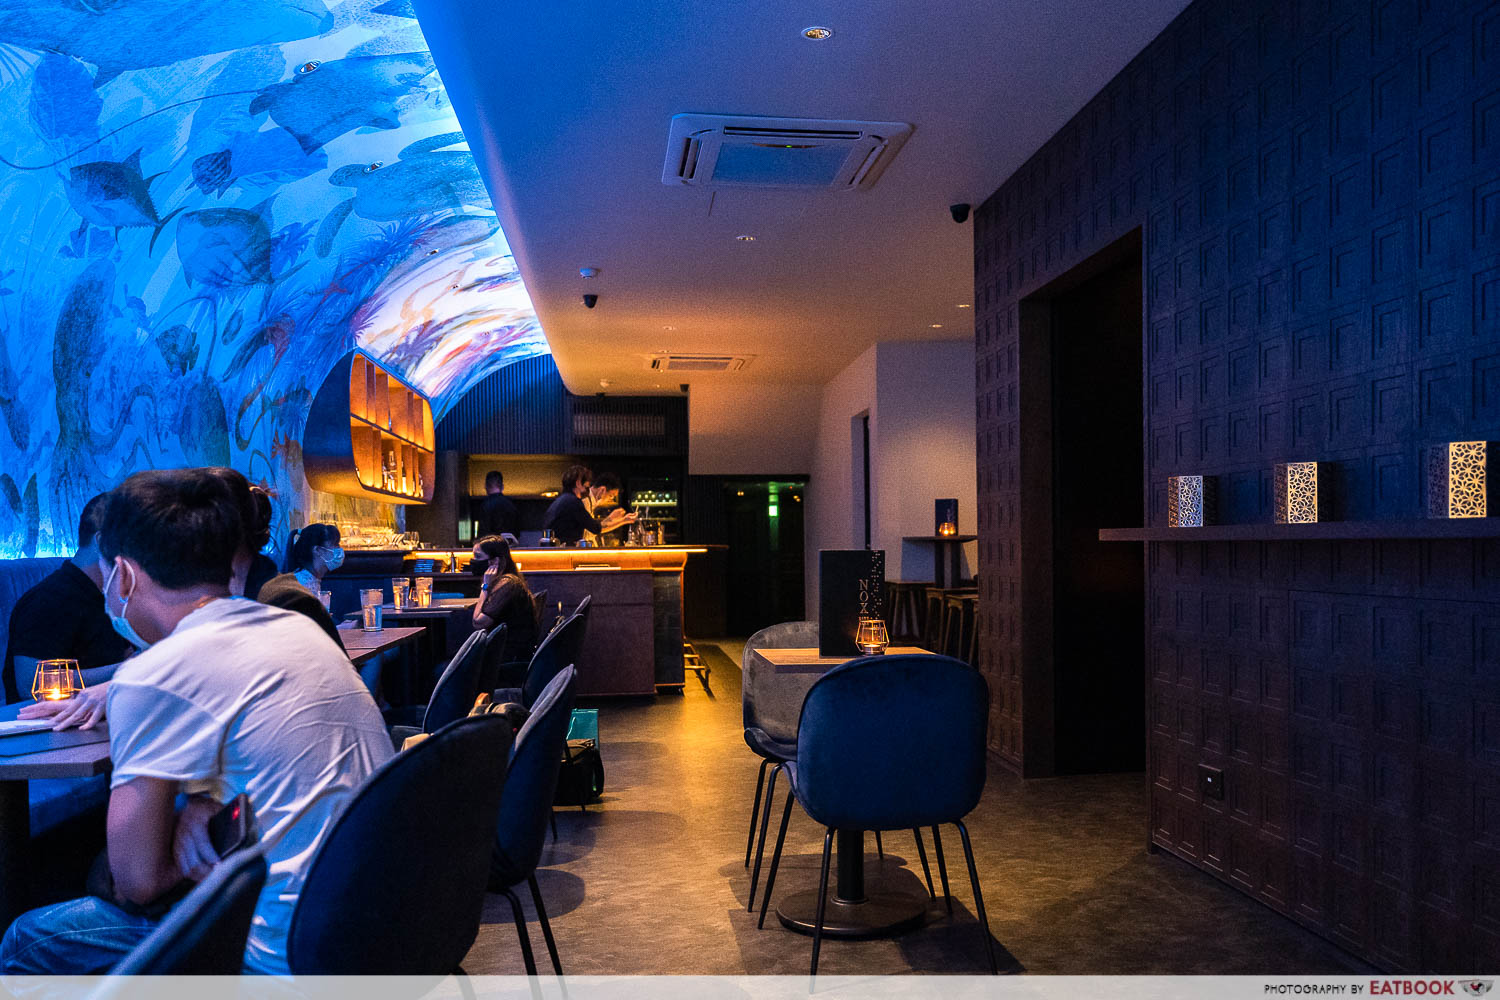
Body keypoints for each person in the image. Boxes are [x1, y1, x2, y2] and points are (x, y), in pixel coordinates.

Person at [0, 468, 392, 976]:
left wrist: (189, 826)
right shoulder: (298, 628)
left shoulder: (153, 675)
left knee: (26, 939)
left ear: (123, 576)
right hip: (387, 933)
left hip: (283, 962)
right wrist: (201, 808)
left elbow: (137, 882)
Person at [3, 492, 133, 703]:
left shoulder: (109, 596)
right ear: (103, 542)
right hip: (47, 722)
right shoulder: (49, 601)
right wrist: (127, 670)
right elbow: (30, 684)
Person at [471, 535, 539, 665]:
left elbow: (478, 622)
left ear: (495, 561)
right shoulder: (508, 580)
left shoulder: (508, 584)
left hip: (505, 657)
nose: (473, 561)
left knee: (441, 668)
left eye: (478, 557)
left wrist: (485, 586)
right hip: (505, 653)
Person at [542, 465, 635, 546]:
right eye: (587, 483)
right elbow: (595, 528)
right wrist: (618, 520)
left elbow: (592, 526)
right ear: (578, 483)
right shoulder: (575, 502)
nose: (589, 486)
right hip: (566, 552)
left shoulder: (563, 500)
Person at [584, 471, 626, 546]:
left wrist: (623, 521)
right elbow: (592, 530)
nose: (611, 500)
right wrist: (611, 518)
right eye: (611, 495)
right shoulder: (585, 501)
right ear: (602, 490)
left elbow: (597, 529)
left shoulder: (592, 503)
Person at [475, 470, 518, 540]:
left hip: (490, 544)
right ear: (502, 486)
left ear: (486, 486)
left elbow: (483, 531)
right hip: (509, 543)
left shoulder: (485, 505)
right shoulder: (511, 504)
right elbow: (517, 531)